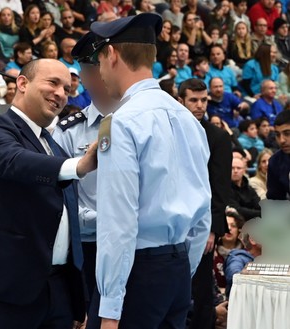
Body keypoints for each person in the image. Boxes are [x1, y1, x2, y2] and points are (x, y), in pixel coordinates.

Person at [87, 13, 211, 329]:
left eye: (99, 61)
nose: (100, 73)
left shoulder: (120, 123)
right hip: (177, 269)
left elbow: (119, 222)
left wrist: (110, 308)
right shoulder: (188, 120)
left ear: (111, 55)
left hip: (136, 275)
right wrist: (182, 270)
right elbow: (202, 215)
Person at [0, 58, 98, 329]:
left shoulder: (54, 146)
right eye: (53, 83)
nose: (61, 93)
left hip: (57, 292)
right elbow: (13, 161)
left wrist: (75, 298)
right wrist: (79, 166)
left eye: (68, 89)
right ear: (22, 83)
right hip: (4, 291)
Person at [53, 31, 116, 310]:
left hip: (136, 245)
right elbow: (58, 195)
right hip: (88, 245)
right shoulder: (67, 132)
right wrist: (100, 219)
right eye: (92, 72)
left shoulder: (139, 123)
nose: (100, 79)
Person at [178, 78, 232, 329]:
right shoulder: (171, 131)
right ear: (181, 101)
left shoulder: (218, 136)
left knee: (200, 287)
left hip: (202, 223)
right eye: (193, 100)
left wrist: (211, 227)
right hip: (171, 220)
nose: (199, 105)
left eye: (203, 100)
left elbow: (220, 186)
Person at [266, 110, 290, 199]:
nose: (282, 140)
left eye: (287, 133)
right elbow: (275, 200)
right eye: (277, 135)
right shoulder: (275, 162)